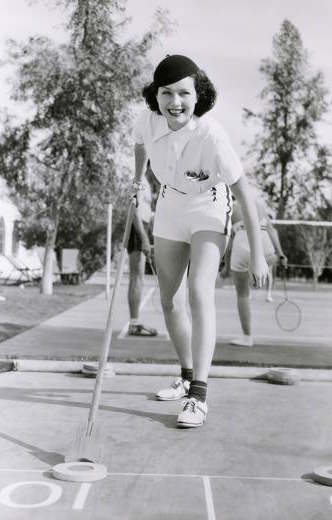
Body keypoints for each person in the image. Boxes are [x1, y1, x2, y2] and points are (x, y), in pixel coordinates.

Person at [132, 54, 269, 428]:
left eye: (183, 93)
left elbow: (245, 196)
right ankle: (186, 374)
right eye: (166, 93)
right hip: (169, 205)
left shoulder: (212, 135)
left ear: (198, 95)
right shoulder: (147, 119)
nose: (175, 102)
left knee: (198, 291)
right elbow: (140, 146)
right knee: (168, 299)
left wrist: (258, 255)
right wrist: (137, 179)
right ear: (155, 96)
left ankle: (199, 395)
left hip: (210, 206)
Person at [221, 197, 287, 346]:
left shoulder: (230, 208)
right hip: (262, 239)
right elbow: (271, 230)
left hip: (241, 240)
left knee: (242, 295)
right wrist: (281, 254)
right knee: (274, 257)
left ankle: (247, 337)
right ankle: (261, 271)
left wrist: (226, 268)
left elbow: (229, 242)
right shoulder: (257, 203)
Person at [127, 162, 158, 337]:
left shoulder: (146, 183)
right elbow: (134, 212)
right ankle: (134, 323)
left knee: (138, 278)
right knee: (136, 278)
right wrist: (144, 237)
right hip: (137, 229)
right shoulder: (139, 182)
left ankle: (135, 322)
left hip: (142, 228)